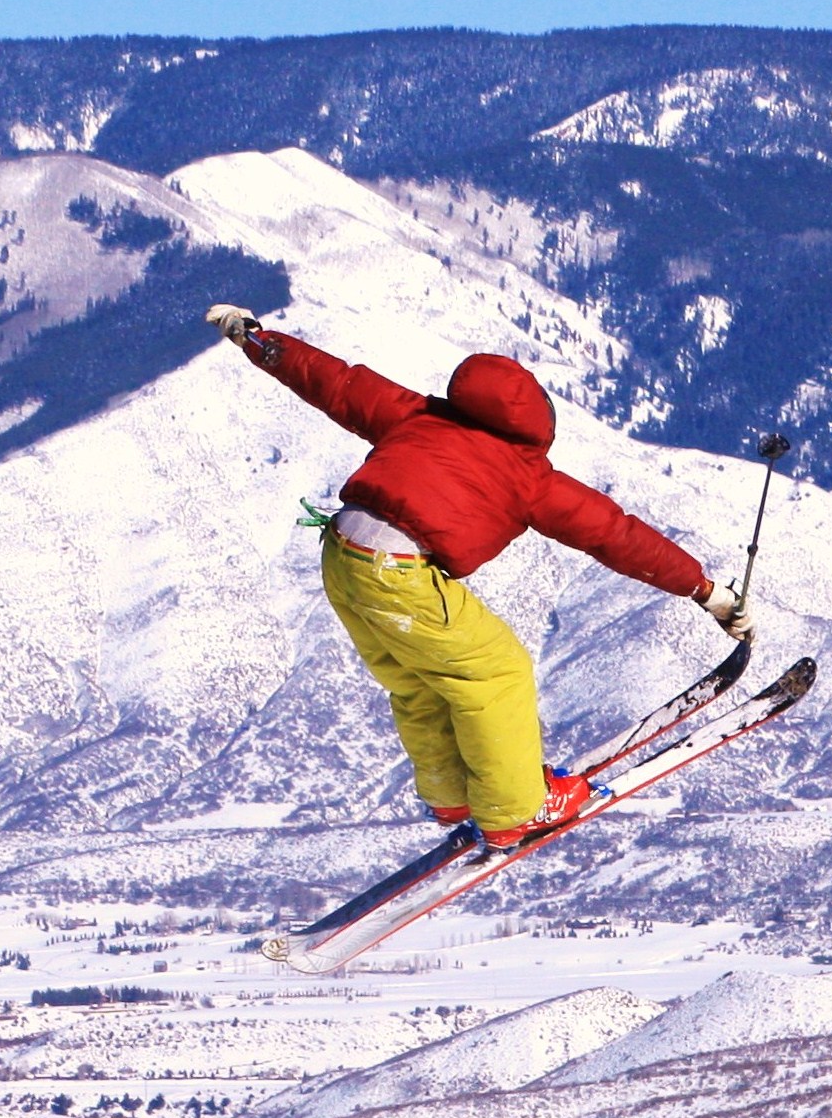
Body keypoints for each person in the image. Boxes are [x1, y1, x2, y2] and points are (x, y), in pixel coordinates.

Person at [207, 304, 753, 845]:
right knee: (495, 674)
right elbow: (618, 535)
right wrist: (704, 591)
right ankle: (517, 808)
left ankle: (452, 797)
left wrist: (256, 339)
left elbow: (336, 382)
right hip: (399, 574)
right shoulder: (530, 478)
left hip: (342, 555)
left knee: (417, 681)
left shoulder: (415, 415)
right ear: (539, 423)